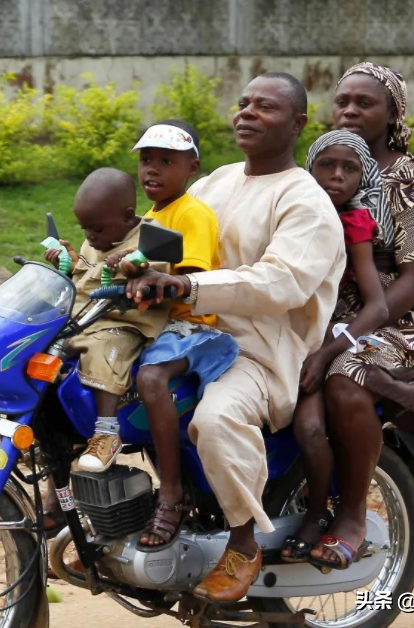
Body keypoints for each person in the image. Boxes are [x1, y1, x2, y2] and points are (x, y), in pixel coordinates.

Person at [125, 72, 346, 602]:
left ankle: (243, 541)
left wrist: (188, 285)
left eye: (264, 107)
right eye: (244, 103)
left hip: (258, 355)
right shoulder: (215, 182)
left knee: (217, 419)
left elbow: (279, 282)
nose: (246, 113)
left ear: (297, 125)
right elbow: (163, 236)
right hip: (186, 336)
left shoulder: (305, 203)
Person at [308, 62, 414, 570]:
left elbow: (413, 280)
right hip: (329, 308)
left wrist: (345, 338)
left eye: (365, 102)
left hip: (400, 316)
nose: (351, 111)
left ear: (393, 112)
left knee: (343, 375)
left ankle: (354, 514)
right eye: (343, 102)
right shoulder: (324, 169)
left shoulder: (413, 183)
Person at [108, 120, 239, 550]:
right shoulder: (150, 215)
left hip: (193, 328)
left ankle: (171, 493)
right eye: (147, 160)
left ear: (192, 168)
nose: (153, 170)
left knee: (150, 379)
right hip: (158, 325)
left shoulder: (191, 212)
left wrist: (148, 273)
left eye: (167, 161)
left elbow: (195, 276)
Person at [280, 130, 392, 563]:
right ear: (310, 168)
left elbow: (377, 306)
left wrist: (325, 354)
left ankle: (317, 513)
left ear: (363, 178)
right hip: (282, 330)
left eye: (350, 168)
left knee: (309, 428)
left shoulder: (354, 224)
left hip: (327, 336)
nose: (337, 176)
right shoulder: (289, 209)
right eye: (327, 164)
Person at [43, 167, 170, 473]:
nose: (89, 236)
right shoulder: (95, 240)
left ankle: (107, 432)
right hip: (86, 319)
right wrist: (69, 261)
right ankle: (46, 434)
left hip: (126, 323)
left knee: (104, 350)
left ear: (127, 217)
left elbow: (156, 269)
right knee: (42, 348)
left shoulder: (151, 236)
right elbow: (87, 274)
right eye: (84, 228)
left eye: (96, 229)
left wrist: (133, 264)